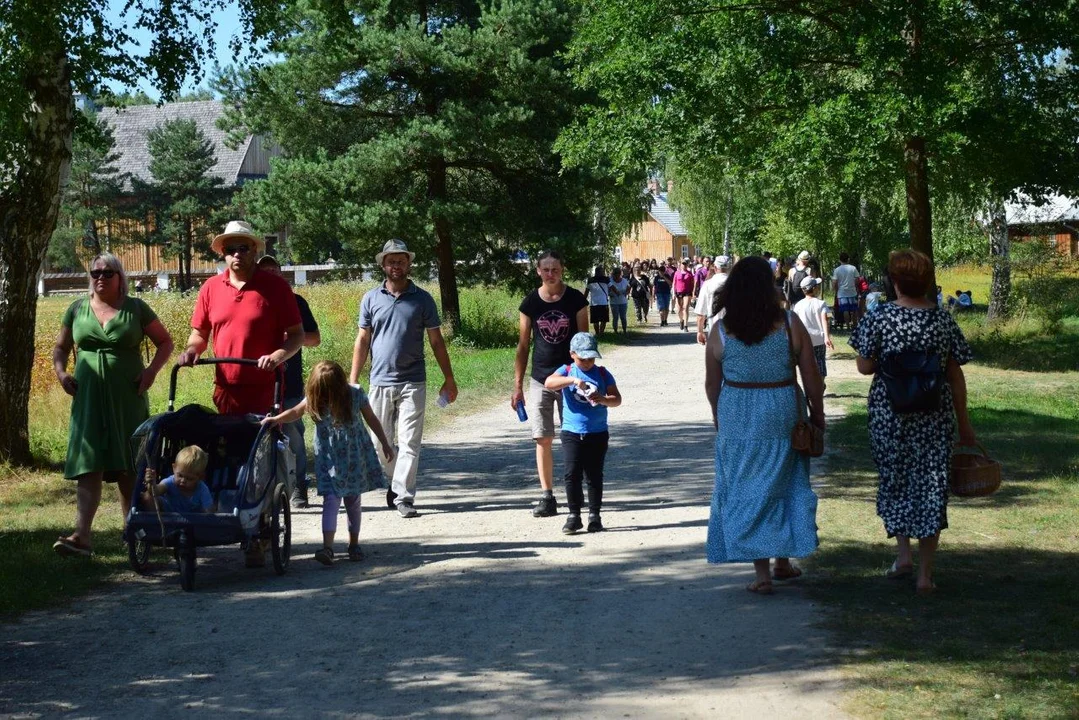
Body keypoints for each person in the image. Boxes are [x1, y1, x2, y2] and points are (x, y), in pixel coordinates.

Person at [849, 249, 976, 595]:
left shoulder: (879, 317)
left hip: (890, 414)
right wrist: (964, 423)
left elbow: (863, 366)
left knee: (896, 478)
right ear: (926, 283)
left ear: (894, 281)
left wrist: (891, 361)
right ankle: (924, 575)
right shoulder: (942, 320)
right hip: (934, 415)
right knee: (932, 485)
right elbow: (956, 373)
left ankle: (902, 555)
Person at [704, 257, 824, 595]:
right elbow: (812, 377)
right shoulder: (789, 324)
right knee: (785, 479)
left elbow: (712, 384)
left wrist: (718, 415)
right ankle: (782, 561)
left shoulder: (721, 331)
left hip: (738, 410)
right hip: (783, 405)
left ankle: (763, 574)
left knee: (746, 484)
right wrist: (818, 413)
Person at [51, 253, 174, 557]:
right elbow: (61, 346)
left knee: (128, 464)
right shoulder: (77, 309)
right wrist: (62, 372)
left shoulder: (136, 308)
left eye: (108, 273)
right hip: (88, 398)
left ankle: (133, 530)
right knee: (87, 463)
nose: (100, 278)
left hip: (127, 397)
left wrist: (150, 372)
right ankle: (81, 537)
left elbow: (165, 342)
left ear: (120, 278)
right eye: (95, 273)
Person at [350, 239, 458, 519]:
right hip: (379, 381)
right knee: (379, 442)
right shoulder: (370, 298)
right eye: (390, 261)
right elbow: (363, 339)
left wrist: (449, 377)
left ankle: (403, 496)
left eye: (400, 260)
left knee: (409, 441)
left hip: (413, 381)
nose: (395, 265)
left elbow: (436, 341)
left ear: (408, 264)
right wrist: (353, 379)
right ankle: (397, 480)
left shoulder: (422, 299)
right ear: (383, 265)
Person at [264, 361, 394, 564]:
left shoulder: (355, 394)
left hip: (353, 458)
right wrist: (276, 419)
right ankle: (327, 548)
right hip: (328, 460)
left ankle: (354, 544)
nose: (325, 398)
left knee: (353, 501)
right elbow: (296, 412)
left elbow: (371, 419)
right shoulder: (315, 399)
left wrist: (385, 443)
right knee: (330, 501)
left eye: (328, 393)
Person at [178, 221, 305, 416]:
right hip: (225, 390)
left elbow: (297, 335)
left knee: (262, 446)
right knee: (226, 445)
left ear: (254, 249)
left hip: (266, 390)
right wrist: (192, 350)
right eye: (231, 249)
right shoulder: (210, 288)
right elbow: (199, 333)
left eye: (243, 248)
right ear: (223, 252)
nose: (237, 254)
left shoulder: (277, 287)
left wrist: (276, 357)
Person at [512, 250, 589, 518]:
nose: (550, 274)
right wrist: (517, 385)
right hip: (540, 378)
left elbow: (584, 342)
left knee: (574, 437)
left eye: (554, 269)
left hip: (569, 377)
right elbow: (523, 346)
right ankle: (547, 496)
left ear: (562, 269)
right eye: (545, 269)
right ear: (538, 271)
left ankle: (574, 492)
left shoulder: (576, 299)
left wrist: (585, 377)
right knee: (542, 437)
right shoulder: (530, 303)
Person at [256, 255, 323, 509]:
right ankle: (264, 492)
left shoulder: (296, 302)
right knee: (261, 439)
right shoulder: (255, 301)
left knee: (294, 438)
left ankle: (299, 489)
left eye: (275, 270)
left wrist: (291, 337)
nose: (271, 274)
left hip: (290, 382)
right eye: (265, 270)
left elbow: (315, 338)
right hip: (259, 384)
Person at [544, 333, 621, 535]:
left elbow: (617, 399)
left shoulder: (603, 374)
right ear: (572, 355)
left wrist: (603, 399)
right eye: (582, 359)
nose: (587, 363)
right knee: (572, 474)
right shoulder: (567, 370)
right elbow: (549, 383)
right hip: (571, 432)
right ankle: (574, 515)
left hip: (597, 432)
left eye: (590, 359)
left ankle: (595, 516)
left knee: (594, 475)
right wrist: (572, 380)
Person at [141, 445, 213, 514]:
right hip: (167, 516)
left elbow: (209, 511)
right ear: (174, 468)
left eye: (189, 479)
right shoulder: (170, 482)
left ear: (200, 477)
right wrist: (151, 483)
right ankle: (154, 524)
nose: (183, 480)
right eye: (180, 475)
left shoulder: (202, 489)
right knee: (147, 496)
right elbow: (155, 492)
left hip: (191, 522)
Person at [792, 277, 834, 383]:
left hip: (804, 341)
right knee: (820, 362)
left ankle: (809, 388)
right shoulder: (820, 303)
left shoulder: (798, 305)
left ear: (803, 290)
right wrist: (826, 337)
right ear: (814, 288)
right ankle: (820, 385)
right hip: (819, 339)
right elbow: (825, 319)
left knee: (806, 364)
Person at [694, 255, 731, 345]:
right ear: (729, 267)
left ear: (715, 267)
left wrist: (700, 331)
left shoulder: (708, 284)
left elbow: (701, 313)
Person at [831, 253, 860, 329]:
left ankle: (847, 326)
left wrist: (834, 289)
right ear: (848, 259)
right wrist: (855, 286)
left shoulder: (837, 270)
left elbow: (834, 282)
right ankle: (854, 325)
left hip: (842, 293)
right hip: (852, 291)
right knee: (854, 309)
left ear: (839, 260)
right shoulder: (853, 268)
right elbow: (857, 279)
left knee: (845, 310)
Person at [584, 266, 611, 336]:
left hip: (594, 303)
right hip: (603, 303)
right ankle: (600, 333)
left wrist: (583, 300)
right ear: (600, 272)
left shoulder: (590, 280)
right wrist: (618, 293)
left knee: (596, 320)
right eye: (602, 271)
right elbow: (612, 287)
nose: (603, 272)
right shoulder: (606, 279)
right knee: (603, 320)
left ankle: (598, 333)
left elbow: (586, 292)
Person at [672, 259, 695, 331]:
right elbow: (674, 283)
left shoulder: (689, 273)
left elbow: (693, 283)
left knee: (686, 308)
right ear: (680, 264)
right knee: (679, 309)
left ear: (687, 265)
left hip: (687, 292)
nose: (684, 265)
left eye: (685, 264)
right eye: (683, 264)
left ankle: (686, 325)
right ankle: (681, 320)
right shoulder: (676, 273)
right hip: (679, 292)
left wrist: (693, 293)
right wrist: (673, 293)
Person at [608, 267, 630, 333]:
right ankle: (615, 331)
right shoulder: (610, 281)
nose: (616, 276)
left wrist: (626, 293)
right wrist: (609, 294)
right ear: (613, 274)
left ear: (620, 274)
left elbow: (629, 288)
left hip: (623, 302)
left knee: (623, 317)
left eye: (618, 274)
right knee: (615, 317)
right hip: (614, 302)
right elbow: (607, 290)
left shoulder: (624, 280)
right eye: (615, 274)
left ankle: (624, 331)